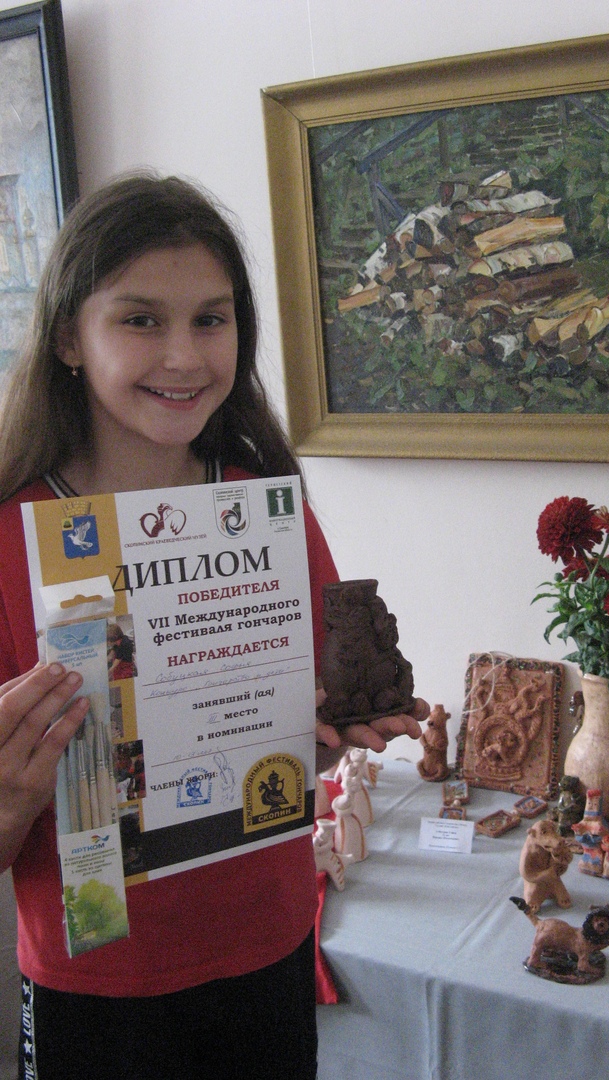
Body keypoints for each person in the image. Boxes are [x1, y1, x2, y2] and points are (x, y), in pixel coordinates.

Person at [0, 172, 426, 1079]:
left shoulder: (262, 510)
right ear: (70, 336)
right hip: (99, 979)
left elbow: (293, 746)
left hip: (266, 947)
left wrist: (323, 738)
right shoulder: (12, 539)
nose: (184, 355)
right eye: (141, 319)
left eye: (211, 318)